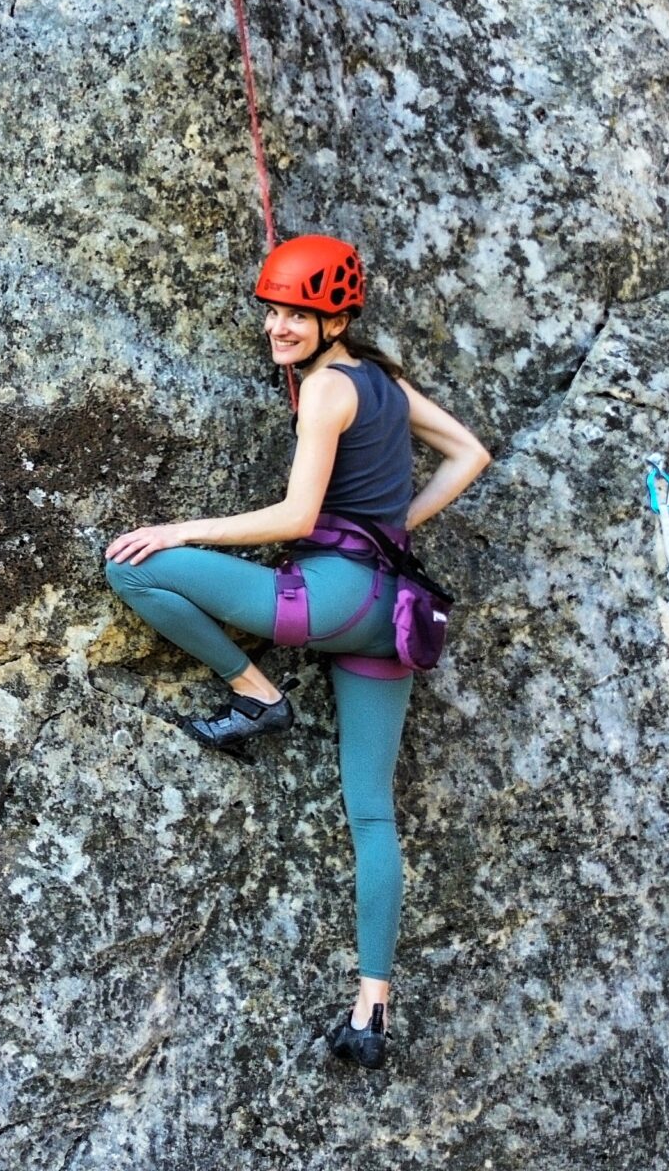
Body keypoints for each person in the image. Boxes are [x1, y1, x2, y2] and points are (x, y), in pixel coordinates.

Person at [102, 234, 491, 1069]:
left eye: (298, 313)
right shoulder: (381, 380)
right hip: (391, 611)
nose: (279, 326)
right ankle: (371, 1011)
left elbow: (293, 515)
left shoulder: (324, 391)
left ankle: (257, 694)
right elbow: (471, 454)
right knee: (373, 813)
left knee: (130, 569)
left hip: (328, 598)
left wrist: (181, 528)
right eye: (274, 309)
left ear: (336, 318)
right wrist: (393, 531)